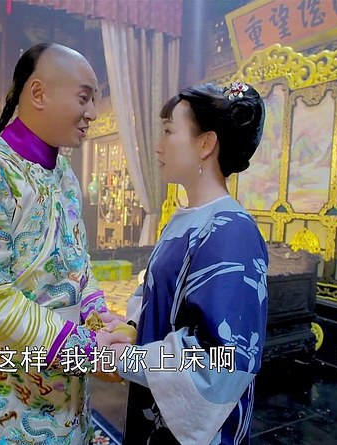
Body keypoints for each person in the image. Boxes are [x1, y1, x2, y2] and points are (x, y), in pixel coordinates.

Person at [0, 43, 129, 445]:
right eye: (84, 97)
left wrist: (97, 315)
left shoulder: (64, 174)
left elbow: (76, 264)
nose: (93, 112)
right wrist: (84, 348)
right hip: (6, 392)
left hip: (68, 390)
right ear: (38, 93)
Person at [111, 82, 268, 445]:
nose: (158, 145)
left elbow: (222, 359)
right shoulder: (187, 219)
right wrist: (130, 326)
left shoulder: (231, 230)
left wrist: (126, 360)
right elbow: (157, 295)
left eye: (169, 131)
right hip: (158, 404)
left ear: (205, 144)